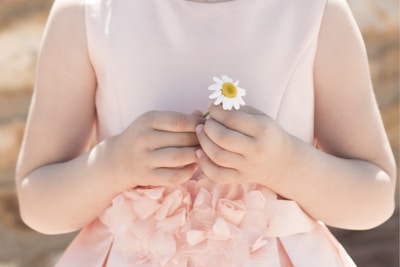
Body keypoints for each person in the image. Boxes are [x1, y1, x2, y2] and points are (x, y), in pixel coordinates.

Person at [15, 0, 396, 266]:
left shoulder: (316, 12)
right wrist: (112, 165)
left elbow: (374, 197)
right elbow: (37, 203)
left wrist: (286, 164)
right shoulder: (86, 13)